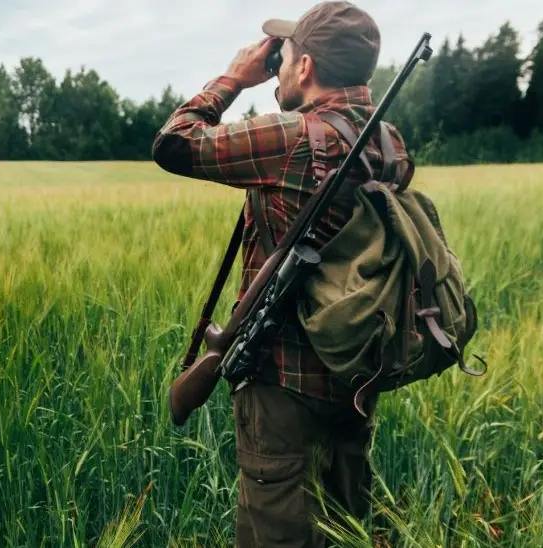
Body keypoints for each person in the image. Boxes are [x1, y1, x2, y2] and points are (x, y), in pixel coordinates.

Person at [151, 2, 413, 546]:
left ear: (305, 68)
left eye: (283, 55)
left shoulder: (288, 138)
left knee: (274, 531)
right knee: (344, 530)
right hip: (355, 374)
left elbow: (174, 142)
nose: (275, 64)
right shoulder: (390, 144)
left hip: (281, 384)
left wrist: (236, 78)